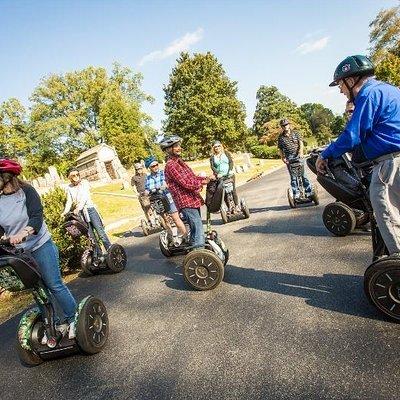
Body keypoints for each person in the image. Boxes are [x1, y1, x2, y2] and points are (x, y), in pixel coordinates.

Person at [316, 54, 400, 256]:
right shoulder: (390, 89)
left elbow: (353, 135)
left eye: (340, 85)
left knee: (386, 213)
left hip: (390, 163)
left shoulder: (368, 94)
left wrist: (325, 155)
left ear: (351, 79)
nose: (341, 90)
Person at [0, 159, 77, 342]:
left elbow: (36, 216)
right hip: (20, 253)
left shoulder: (27, 191)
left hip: (40, 244)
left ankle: (73, 318)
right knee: (38, 289)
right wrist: (3, 237)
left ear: (6, 177)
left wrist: (24, 233)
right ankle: (54, 324)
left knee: (53, 284)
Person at [161, 136, 213, 249]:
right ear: (168, 149)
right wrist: (203, 182)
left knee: (196, 229)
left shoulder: (180, 163)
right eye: (175, 146)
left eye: (179, 145)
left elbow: (192, 178)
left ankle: (195, 252)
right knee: (198, 227)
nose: (179, 148)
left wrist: (207, 178)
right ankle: (200, 256)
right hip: (185, 201)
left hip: (192, 199)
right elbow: (185, 183)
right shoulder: (171, 165)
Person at [62, 167, 111, 250]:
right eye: (73, 175)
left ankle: (110, 251)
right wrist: (64, 212)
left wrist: (79, 208)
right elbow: (69, 201)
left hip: (90, 210)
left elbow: (85, 196)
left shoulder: (84, 183)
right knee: (90, 236)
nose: (76, 176)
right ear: (69, 177)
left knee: (100, 233)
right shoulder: (69, 188)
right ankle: (99, 256)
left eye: (77, 174)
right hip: (81, 214)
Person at [144, 156, 187, 240]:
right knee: (164, 219)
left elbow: (170, 183)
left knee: (175, 218)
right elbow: (146, 189)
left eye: (156, 165)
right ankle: (172, 237)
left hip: (168, 198)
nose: (156, 167)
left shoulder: (164, 173)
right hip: (157, 201)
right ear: (149, 168)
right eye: (153, 166)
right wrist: (146, 192)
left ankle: (184, 235)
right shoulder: (148, 178)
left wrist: (166, 185)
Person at [277, 118, 313, 199]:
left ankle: (308, 191)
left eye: (286, 124)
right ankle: (296, 193)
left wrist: (301, 152)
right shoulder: (280, 138)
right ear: (281, 127)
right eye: (283, 125)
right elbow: (280, 149)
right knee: (293, 177)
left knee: (303, 175)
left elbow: (301, 143)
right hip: (289, 157)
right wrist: (283, 158)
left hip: (298, 156)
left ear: (289, 125)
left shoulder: (296, 133)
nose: (285, 126)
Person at [209, 140, 240, 211]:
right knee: (224, 191)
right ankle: (229, 207)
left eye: (218, 146)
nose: (217, 148)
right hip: (221, 176)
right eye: (215, 146)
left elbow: (230, 162)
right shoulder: (212, 157)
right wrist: (217, 173)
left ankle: (237, 205)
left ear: (221, 146)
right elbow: (213, 167)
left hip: (230, 174)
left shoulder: (226, 153)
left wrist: (230, 169)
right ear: (213, 148)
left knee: (233, 190)